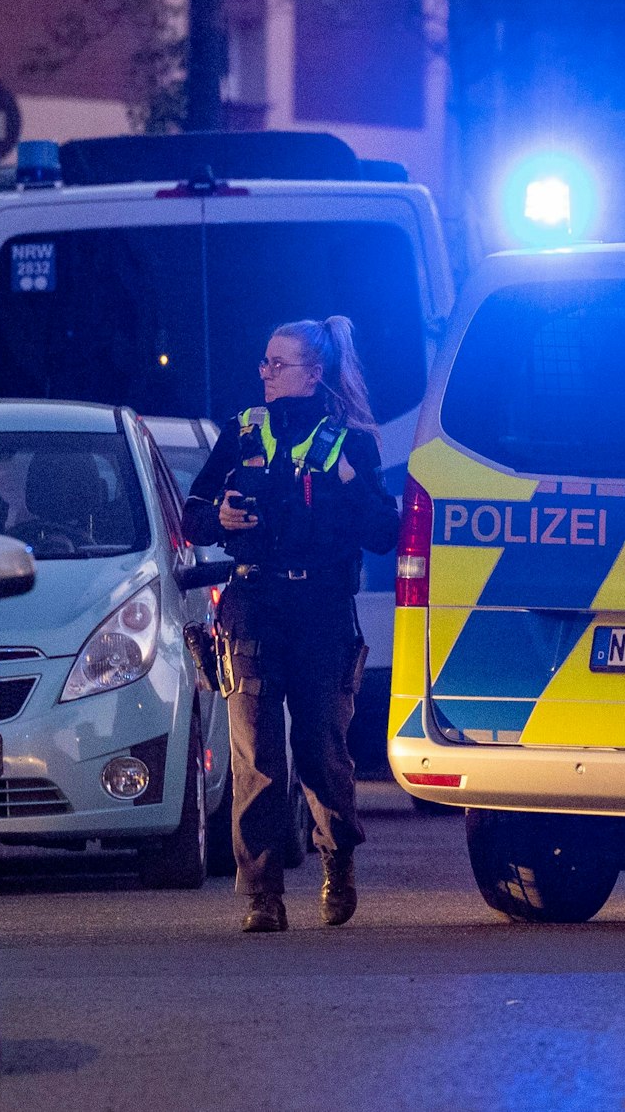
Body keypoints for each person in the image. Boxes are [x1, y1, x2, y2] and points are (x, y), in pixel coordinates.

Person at [183, 316, 399, 932]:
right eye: (264, 363)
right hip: (252, 603)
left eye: (279, 364)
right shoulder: (242, 431)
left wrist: (353, 486)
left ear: (314, 373)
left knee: (320, 747)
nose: (267, 374)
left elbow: (385, 533)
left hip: (323, 610)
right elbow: (194, 514)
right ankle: (261, 894)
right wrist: (221, 517)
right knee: (255, 750)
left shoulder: (350, 441)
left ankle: (338, 859)